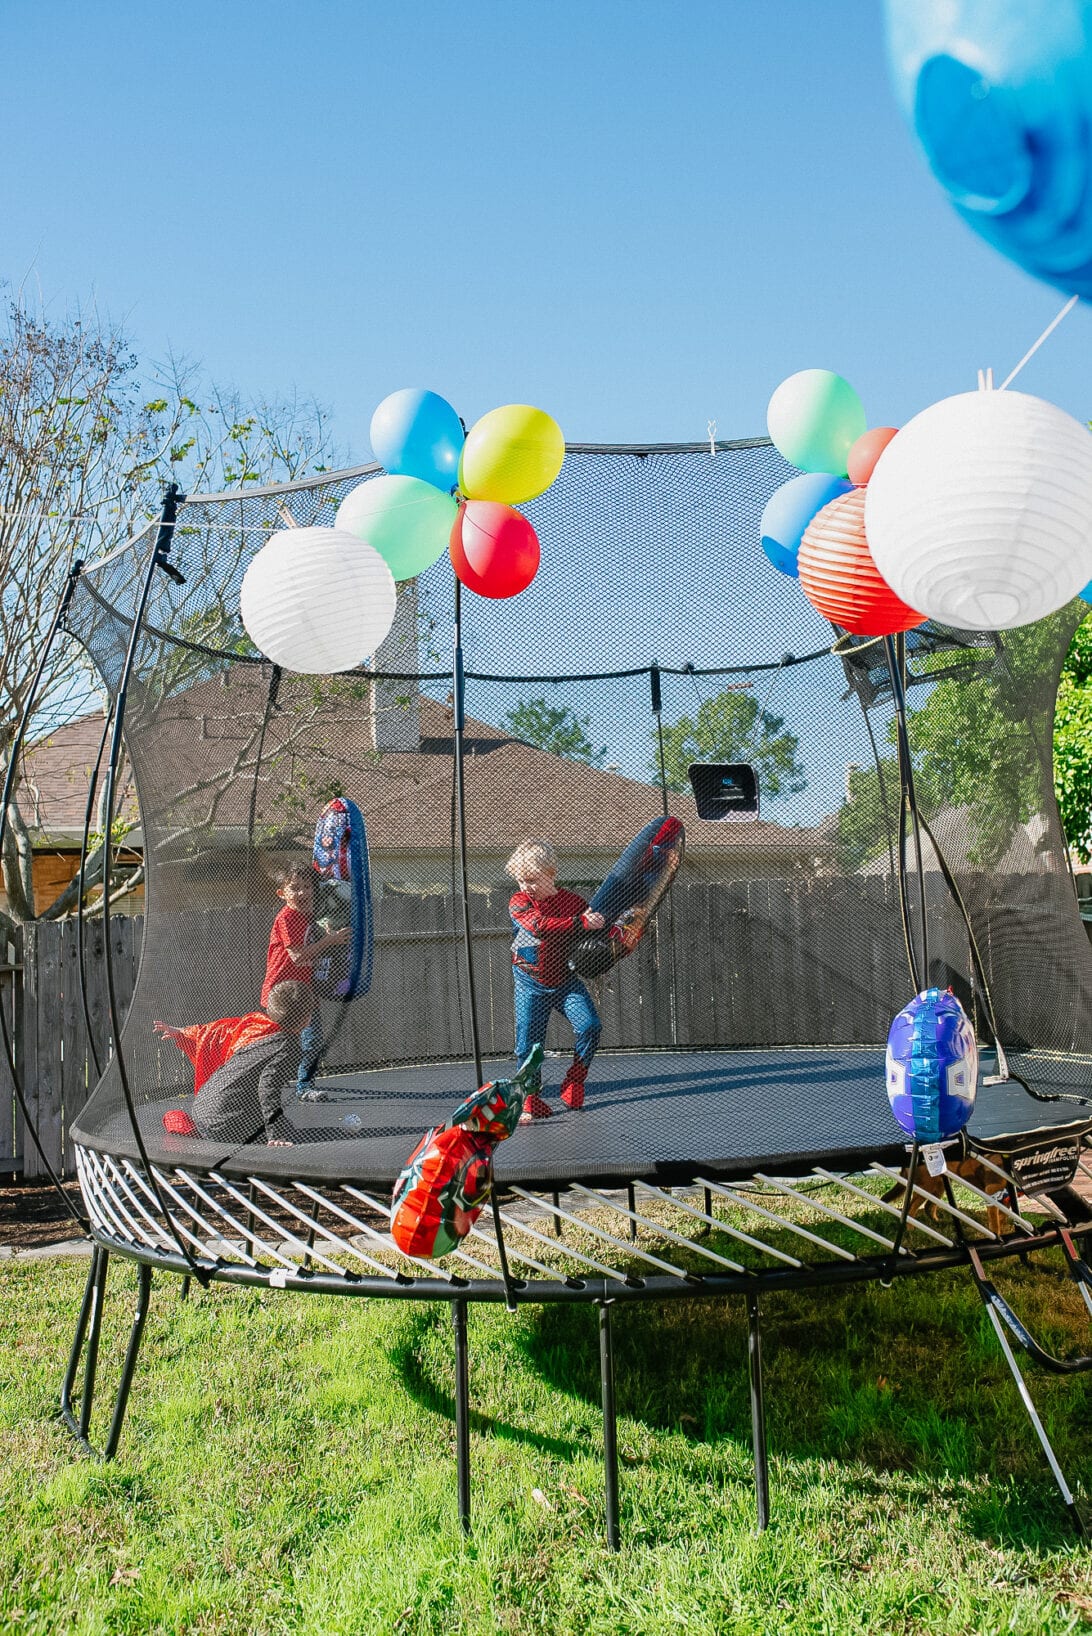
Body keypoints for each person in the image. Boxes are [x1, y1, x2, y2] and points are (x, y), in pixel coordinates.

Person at [505, 840, 605, 1121]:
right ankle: (529, 1097)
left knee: (590, 1026)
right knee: (528, 1044)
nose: (526, 886)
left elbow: (596, 931)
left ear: (551, 873)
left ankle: (574, 1080)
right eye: (521, 880)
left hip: (564, 982)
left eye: (532, 880)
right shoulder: (519, 902)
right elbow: (539, 926)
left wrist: (607, 933)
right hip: (530, 983)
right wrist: (580, 923)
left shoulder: (573, 903)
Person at [153, 979, 314, 1147]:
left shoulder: (255, 1027)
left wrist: (182, 1031)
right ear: (306, 1019)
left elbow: (218, 1030)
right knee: (289, 1130)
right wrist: (276, 1134)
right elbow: (268, 1088)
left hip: (202, 1110)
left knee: (280, 1121)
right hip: (223, 1126)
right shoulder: (289, 1047)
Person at [263, 861, 351, 1098]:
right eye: (295, 888)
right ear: (282, 893)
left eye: (307, 886)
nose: (302, 892)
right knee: (277, 1045)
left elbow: (324, 925)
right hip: (281, 993)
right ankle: (268, 1086)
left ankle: (305, 1086)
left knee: (312, 1040)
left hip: (304, 992)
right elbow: (298, 955)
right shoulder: (287, 918)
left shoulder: (313, 913)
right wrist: (328, 941)